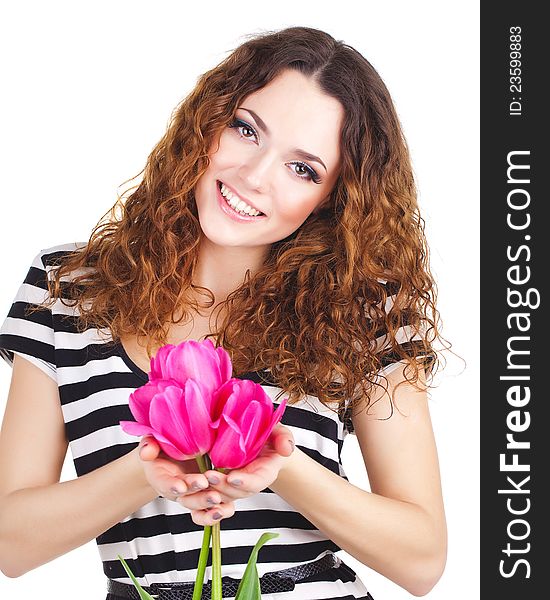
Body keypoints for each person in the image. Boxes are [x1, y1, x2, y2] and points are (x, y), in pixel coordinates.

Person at [0, 26, 447, 599]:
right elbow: (11, 543)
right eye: (246, 130)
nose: (254, 176)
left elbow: (422, 559)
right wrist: (148, 470)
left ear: (335, 198)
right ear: (207, 122)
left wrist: (276, 458)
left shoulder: (366, 309)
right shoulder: (67, 289)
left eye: (303, 168)